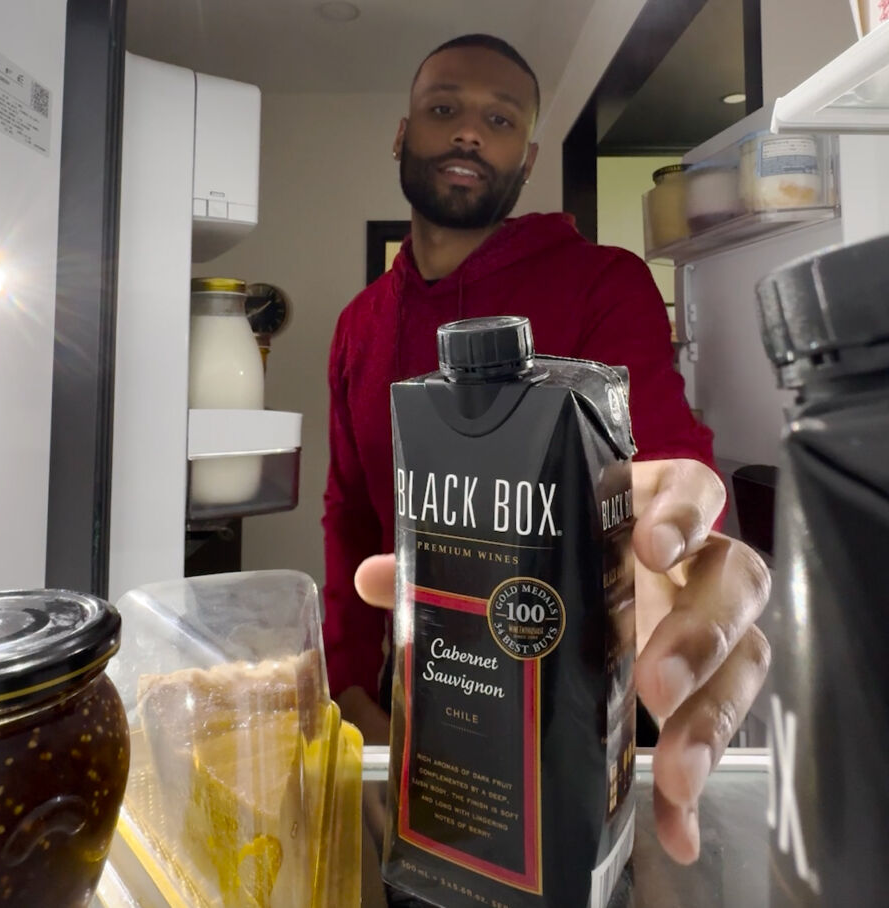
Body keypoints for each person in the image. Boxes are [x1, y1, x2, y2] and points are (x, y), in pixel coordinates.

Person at [322, 33, 771, 867]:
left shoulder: (603, 283)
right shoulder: (359, 326)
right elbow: (348, 510)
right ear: (401, 134)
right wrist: (354, 694)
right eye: (445, 109)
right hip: (413, 696)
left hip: (576, 705)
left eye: (497, 119)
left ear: (527, 158)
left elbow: (662, 460)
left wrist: (672, 554)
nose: (467, 133)